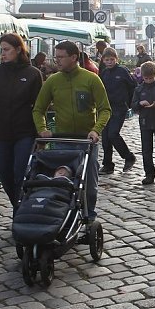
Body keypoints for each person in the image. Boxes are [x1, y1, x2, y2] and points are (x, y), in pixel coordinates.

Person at [32, 40, 111, 221]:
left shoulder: (91, 79)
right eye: (56, 57)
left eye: (61, 57)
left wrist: (96, 130)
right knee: (62, 180)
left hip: (86, 142)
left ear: (74, 57)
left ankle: (88, 215)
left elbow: (105, 109)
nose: (57, 61)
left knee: (89, 182)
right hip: (62, 141)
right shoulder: (53, 81)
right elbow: (38, 109)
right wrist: (42, 129)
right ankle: (61, 213)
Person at [0, 33, 44, 212]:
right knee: (5, 175)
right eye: (1, 50)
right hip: (1, 133)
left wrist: (41, 133)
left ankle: (19, 213)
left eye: (6, 49)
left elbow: (39, 107)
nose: (3, 54)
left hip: (25, 133)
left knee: (20, 174)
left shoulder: (33, 74)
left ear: (18, 49)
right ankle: (18, 206)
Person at [98, 48, 138, 174]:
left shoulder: (122, 71)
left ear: (116, 59)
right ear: (103, 60)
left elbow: (133, 86)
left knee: (113, 134)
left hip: (119, 108)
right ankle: (107, 164)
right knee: (105, 138)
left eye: (112, 59)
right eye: (107, 60)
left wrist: (130, 103)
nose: (109, 62)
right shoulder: (104, 73)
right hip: (106, 108)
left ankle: (128, 156)